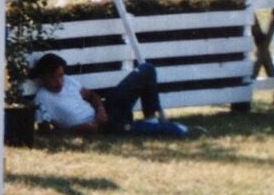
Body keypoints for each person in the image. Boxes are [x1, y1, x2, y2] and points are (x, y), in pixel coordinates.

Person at [32, 53, 189, 137]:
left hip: (106, 111)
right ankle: (171, 129)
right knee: (132, 129)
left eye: (60, 75)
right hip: (99, 128)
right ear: (42, 77)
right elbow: (48, 132)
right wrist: (80, 129)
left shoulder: (68, 81)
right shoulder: (43, 98)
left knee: (146, 69)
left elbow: (92, 95)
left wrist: (100, 109)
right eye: (52, 77)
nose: (59, 82)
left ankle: (152, 119)